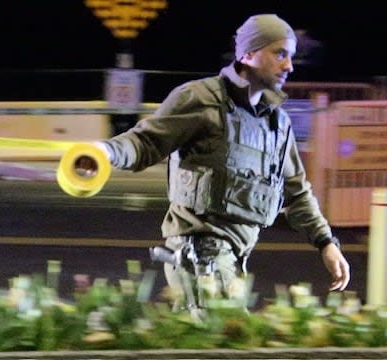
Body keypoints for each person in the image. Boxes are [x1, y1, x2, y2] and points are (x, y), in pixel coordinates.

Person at [92, 14, 350, 315]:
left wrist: (326, 242)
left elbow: (296, 190)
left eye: (291, 56)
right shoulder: (201, 100)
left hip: (235, 258)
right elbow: (145, 142)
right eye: (279, 53)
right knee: (227, 338)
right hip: (200, 254)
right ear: (248, 54)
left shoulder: (277, 122)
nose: (289, 66)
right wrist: (104, 152)